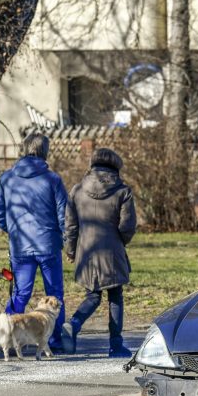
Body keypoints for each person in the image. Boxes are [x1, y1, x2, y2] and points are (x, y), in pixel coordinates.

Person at [0, 133, 68, 351]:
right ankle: (53, 340)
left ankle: (8, 337)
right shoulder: (52, 179)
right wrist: (65, 239)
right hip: (48, 244)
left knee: (20, 293)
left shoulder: (7, 178)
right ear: (45, 151)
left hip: (20, 245)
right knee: (55, 293)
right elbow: (64, 214)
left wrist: (12, 229)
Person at [61, 148, 137, 357]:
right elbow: (127, 227)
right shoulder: (123, 192)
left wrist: (71, 250)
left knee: (93, 295)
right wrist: (120, 243)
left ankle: (74, 324)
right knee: (115, 296)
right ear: (116, 167)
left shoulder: (76, 190)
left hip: (86, 252)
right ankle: (115, 344)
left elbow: (71, 226)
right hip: (111, 251)